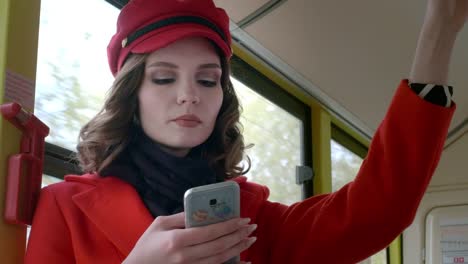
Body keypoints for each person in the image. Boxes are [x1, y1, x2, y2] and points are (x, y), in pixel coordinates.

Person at [25, 0, 466, 263]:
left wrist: (441, 29)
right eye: (163, 78)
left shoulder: (253, 221)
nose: (188, 96)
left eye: (207, 79)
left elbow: (378, 210)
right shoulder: (64, 209)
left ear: (222, 100)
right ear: (131, 95)